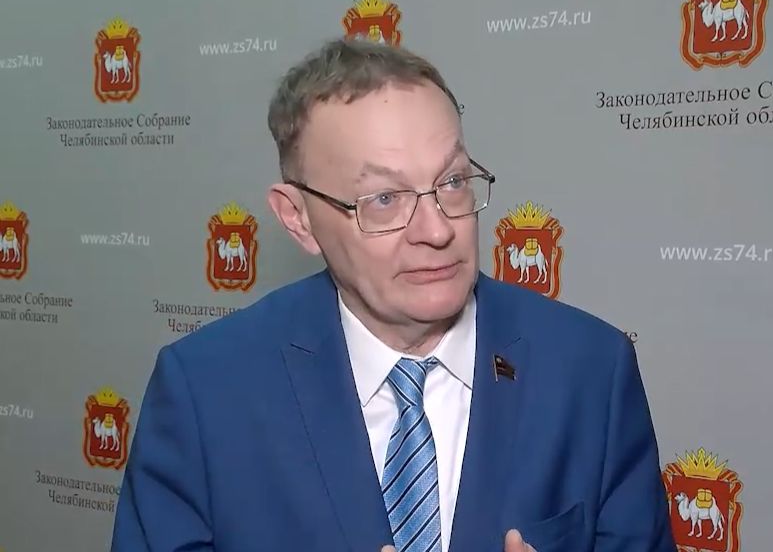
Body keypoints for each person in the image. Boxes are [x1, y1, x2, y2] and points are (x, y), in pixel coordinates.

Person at [110, 36, 676, 552]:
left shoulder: (590, 371)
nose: (437, 229)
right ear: (298, 218)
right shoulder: (205, 391)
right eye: (383, 199)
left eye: (452, 182)